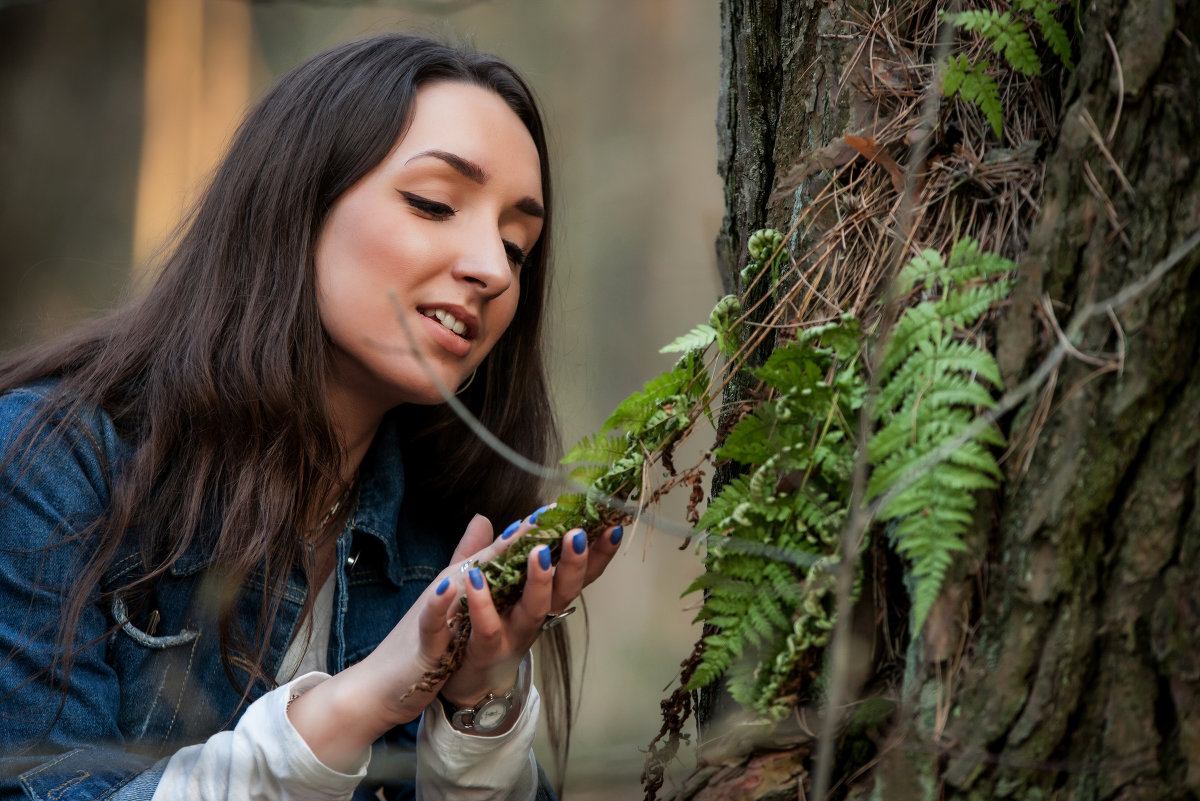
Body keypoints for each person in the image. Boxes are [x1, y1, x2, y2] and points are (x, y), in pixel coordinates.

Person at [0, 33, 621, 801]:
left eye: (516, 244)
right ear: (296, 203)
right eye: (434, 203)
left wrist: (477, 712)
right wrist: (363, 700)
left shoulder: (453, 532)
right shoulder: (53, 467)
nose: (492, 269)